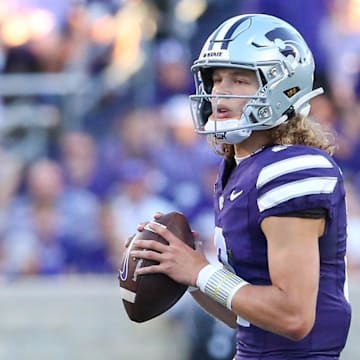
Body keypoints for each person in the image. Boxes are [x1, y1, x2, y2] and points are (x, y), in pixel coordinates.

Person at [129, 14, 351, 359]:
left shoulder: (291, 169)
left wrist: (201, 271)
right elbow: (246, 318)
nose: (219, 92)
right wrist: (186, 272)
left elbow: (293, 317)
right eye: (216, 79)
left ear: (282, 86)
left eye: (239, 80)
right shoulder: (237, 169)